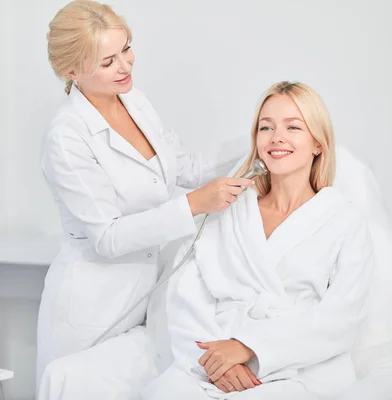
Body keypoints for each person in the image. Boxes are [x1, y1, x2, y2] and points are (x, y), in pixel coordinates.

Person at [37, 0, 252, 391]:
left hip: (146, 298)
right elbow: (108, 237)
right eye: (108, 62)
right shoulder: (66, 137)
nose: (126, 66)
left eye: (127, 48)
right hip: (93, 306)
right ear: (72, 71)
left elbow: (184, 167)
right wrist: (194, 204)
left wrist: (258, 138)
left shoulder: (134, 100)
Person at [141, 81, 375, 399]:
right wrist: (215, 360)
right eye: (266, 127)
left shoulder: (344, 220)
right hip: (213, 359)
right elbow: (188, 294)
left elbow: (342, 317)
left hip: (296, 365)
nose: (276, 137)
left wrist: (250, 349)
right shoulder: (230, 210)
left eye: (293, 127)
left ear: (318, 143)